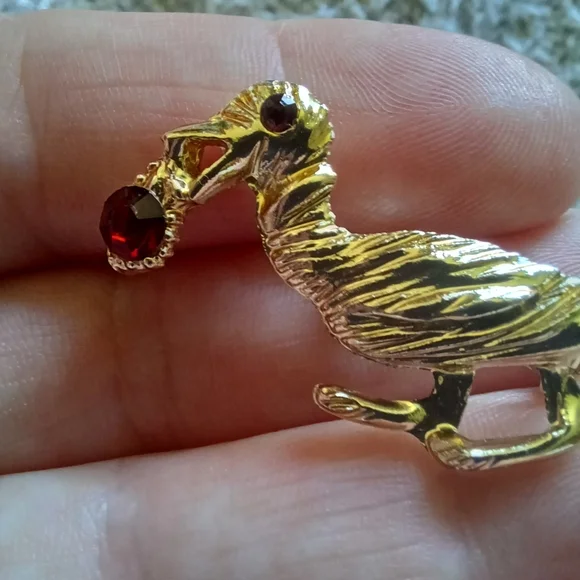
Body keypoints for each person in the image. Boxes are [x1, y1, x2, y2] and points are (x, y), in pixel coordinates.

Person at [1, 9, 579, 580]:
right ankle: (445, 409)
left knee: (379, 325)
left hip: (549, 324)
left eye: (269, 124)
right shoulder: (352, 281)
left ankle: (517, 423)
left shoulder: (364, 297)